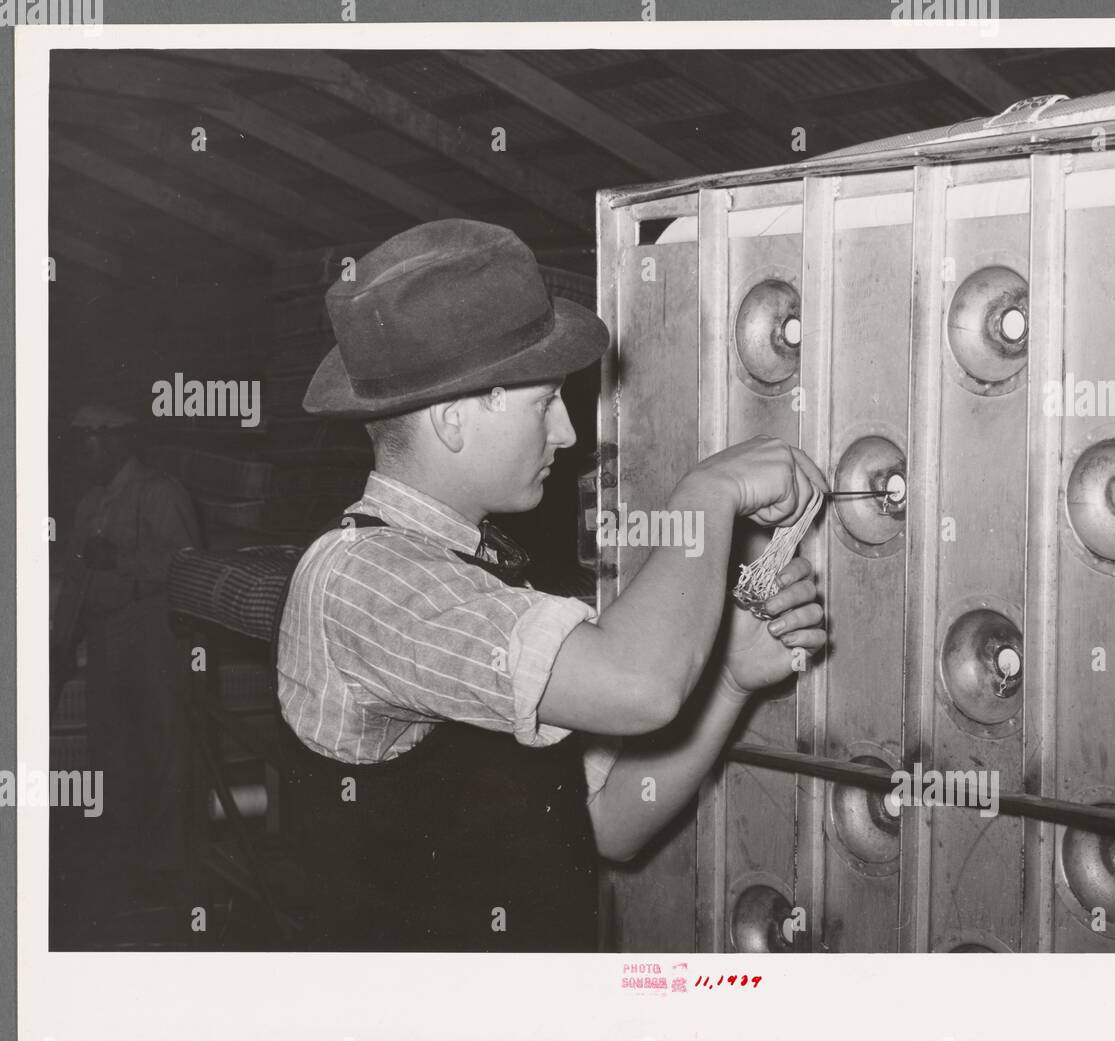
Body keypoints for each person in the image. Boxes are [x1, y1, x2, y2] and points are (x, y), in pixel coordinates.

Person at [275, 220, 827, 951]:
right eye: (544, 404)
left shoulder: (482, 573)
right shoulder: (362, 580)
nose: (567, 433)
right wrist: (709, 490)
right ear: (451, 420)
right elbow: (641, 686)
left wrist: (727, 676)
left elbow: (606, 822)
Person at [51, 404, 202, 935]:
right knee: (112, 749)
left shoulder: (159, 493)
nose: (76, 453)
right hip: (106, 640)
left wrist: (122, 563)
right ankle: (125, 858)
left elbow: (190, 567)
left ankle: (165, 865)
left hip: (153, 638)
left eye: (83, 442)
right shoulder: (89, 503)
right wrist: (59, 644)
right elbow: (75, 582)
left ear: (112, 440)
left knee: (162, 747)